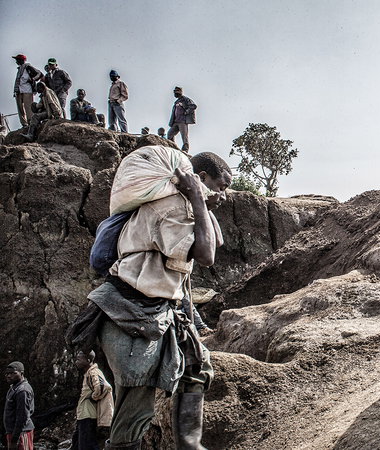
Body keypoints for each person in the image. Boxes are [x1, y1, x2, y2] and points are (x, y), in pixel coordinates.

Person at [87, 152, 230, 449]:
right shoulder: (170, 208)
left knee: (197, 368)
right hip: (132, 313)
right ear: (200, 179)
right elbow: (206, 255)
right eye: (221, 185)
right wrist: (197, 199)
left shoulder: (187, 205)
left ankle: (190, 445)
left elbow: (216, 240)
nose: (224, 193)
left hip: (154, 309)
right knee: (134, 410)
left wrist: (202, 202)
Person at [71, 351, 113, 450]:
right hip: (84, 415)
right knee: (77, 444)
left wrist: (94, 397)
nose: (76, 362)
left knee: (87, 445)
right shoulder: (89, 373)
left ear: (88, 360)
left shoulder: (93, 372)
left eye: (79, 359)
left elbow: (103, 386)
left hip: (88, 416)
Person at [4, 361, 34, 450]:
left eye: (13, 373)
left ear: (21, 373)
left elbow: (23, 417)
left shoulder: (22, 391)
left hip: (21, 433)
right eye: (7, 373)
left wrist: (15, 438)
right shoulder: (14, 387)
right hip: (13, 432)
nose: (9, 376)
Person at [11, 54, 43, 129]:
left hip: (27, 90)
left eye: (17, 60)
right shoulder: (20, 69)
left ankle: (31, 123)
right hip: (19, 91)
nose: (16, 61)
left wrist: (32, 79)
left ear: (21, 60)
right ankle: (24, 124)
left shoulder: (28, 67)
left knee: (28, 108)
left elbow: (39, 74)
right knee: (20, 109)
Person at [167, 87, 197, 152]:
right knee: (169, 134)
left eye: (177, 91)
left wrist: (186, 111)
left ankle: (185, 150)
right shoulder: (176, 102)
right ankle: (173, 148)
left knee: (184, 136)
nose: (175, 93)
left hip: (183, 121)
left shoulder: (185, 99)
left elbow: (193, 106)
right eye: (174, 92)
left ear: (180, 92)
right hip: (176, 121)